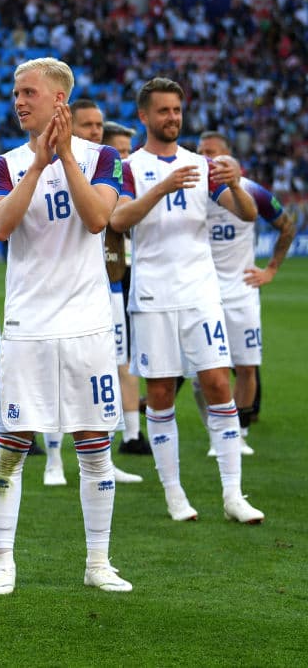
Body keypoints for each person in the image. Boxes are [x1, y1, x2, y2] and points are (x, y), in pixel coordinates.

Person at [0, 57, 131, 595]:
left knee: (94, 444)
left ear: (58, 101)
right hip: (28, 325)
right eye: (16, 93)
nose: (19, 101)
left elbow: (99, 219)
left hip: (89, 324)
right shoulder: (4, 164)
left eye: (28, 93)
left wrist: (65, 155)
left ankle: (98, 563)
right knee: (11, 445)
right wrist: (39, 164)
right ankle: (3, 562)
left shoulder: (106, 158)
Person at [110, 77, 264, 524]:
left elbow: (249, 214)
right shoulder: (130, 168)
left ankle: (233, 495)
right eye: (163, 111)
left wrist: (236, 185)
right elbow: (118, 219)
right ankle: (175, 493)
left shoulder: (201, 165)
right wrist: (161, 188)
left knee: (217, 382)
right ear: (144, 117)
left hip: (200, 293)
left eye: (177, 110)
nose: (172, 118)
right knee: (160, 392)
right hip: (154, 294)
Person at [51, 100, 143, 487]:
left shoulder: (109, 167)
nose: (94, 131)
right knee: (56, 374)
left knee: (107, 370)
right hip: (59, 288)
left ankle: (113, 451)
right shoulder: (55, 166)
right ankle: (53, 459)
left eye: (98, 125)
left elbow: (116, 217)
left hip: (109, 285)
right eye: (88, 125)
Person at [195, 130, 295, 453]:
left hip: (242, 290)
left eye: (211, 152)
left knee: (247, 367)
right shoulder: (194, 190)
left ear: (230, 159)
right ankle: (217, 431)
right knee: (203, 372)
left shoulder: (253, 192)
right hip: (203, 291)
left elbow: (286, 226)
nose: (205, 157)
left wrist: (271, 270)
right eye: (201, 151)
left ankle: (237, 433)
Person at [100, 121, 152, 456]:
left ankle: (132, 435)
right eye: (119, 151)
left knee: (124, 357)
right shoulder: (95, 182)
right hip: (90, 283)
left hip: (121, 278)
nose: (125, 158)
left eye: (128, 151)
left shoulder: (129, 183)